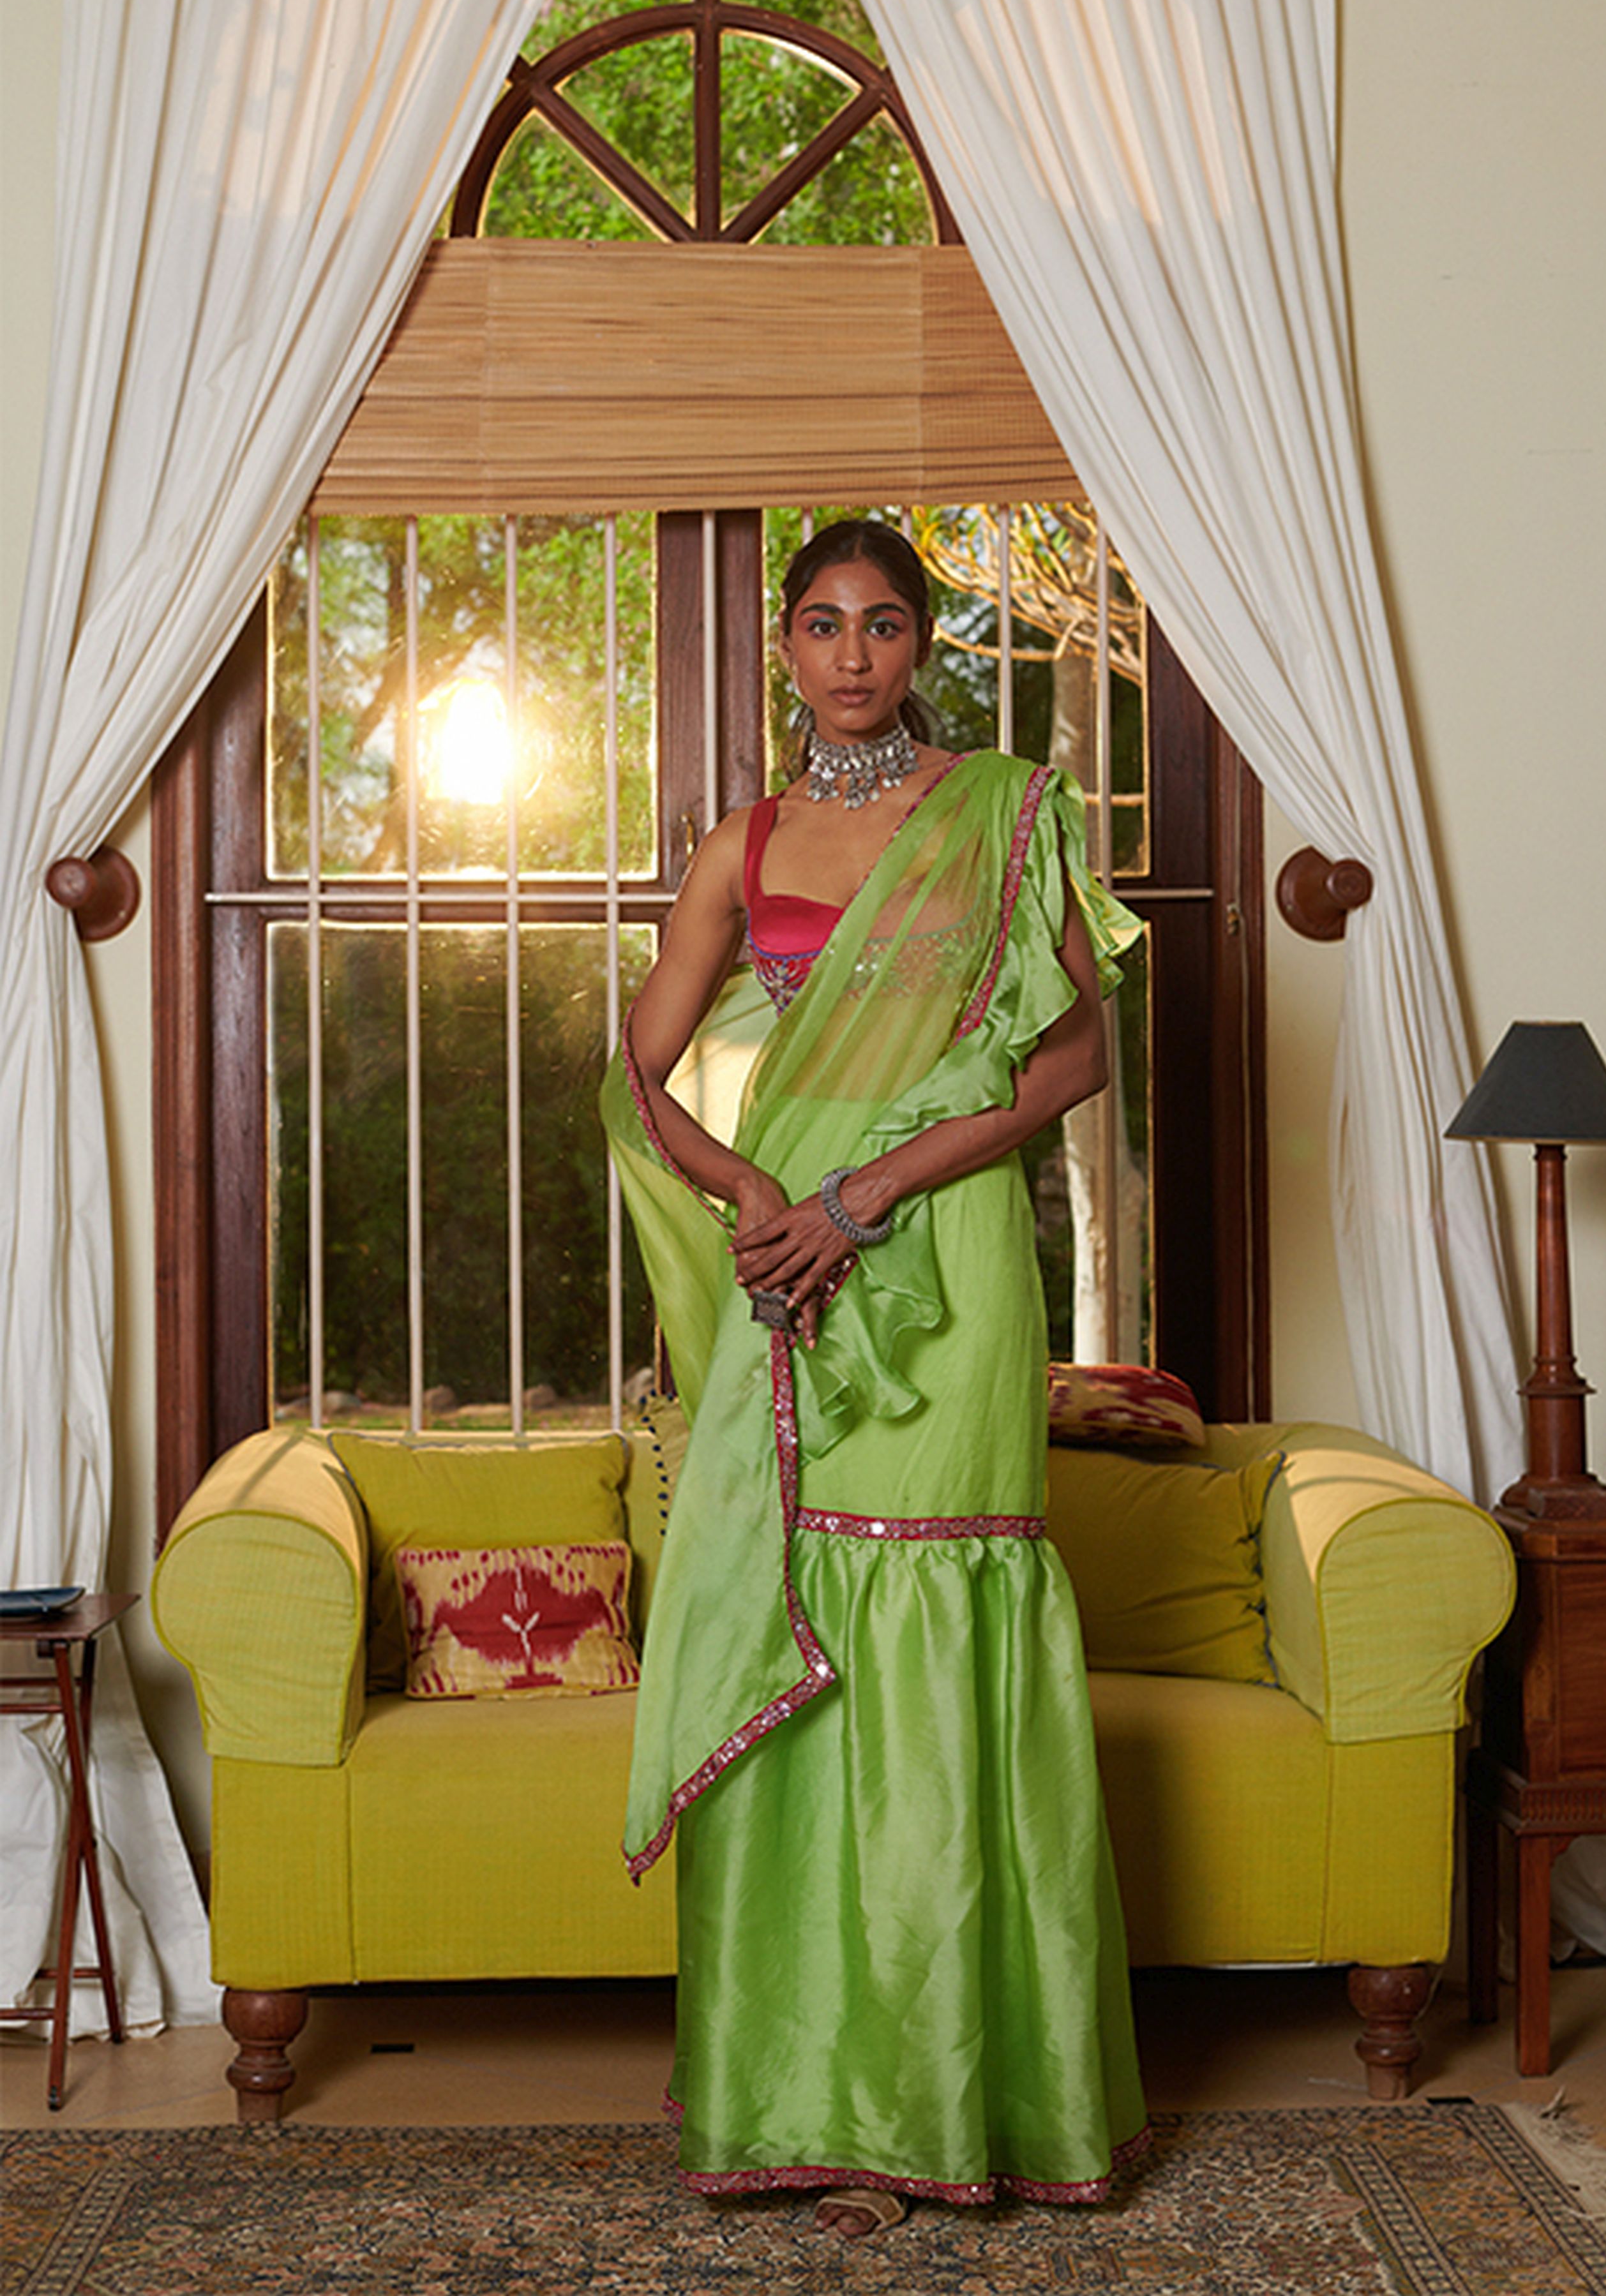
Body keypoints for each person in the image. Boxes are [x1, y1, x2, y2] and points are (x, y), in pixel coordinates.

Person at [601, 519, 1148, 2235]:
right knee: (804, 1631)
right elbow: (640, 1075)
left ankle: (939, 2107)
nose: (853, 653)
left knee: (930, 1629)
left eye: (887, 623)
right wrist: (762, 1200)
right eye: (824, 624)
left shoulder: (1005, 815)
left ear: (926, 645)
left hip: (949, 1251)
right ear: (786, 646)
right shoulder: (745, 842)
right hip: (791, 1272)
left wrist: (867, 1195)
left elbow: (1073, 1058)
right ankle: (802, 2095)